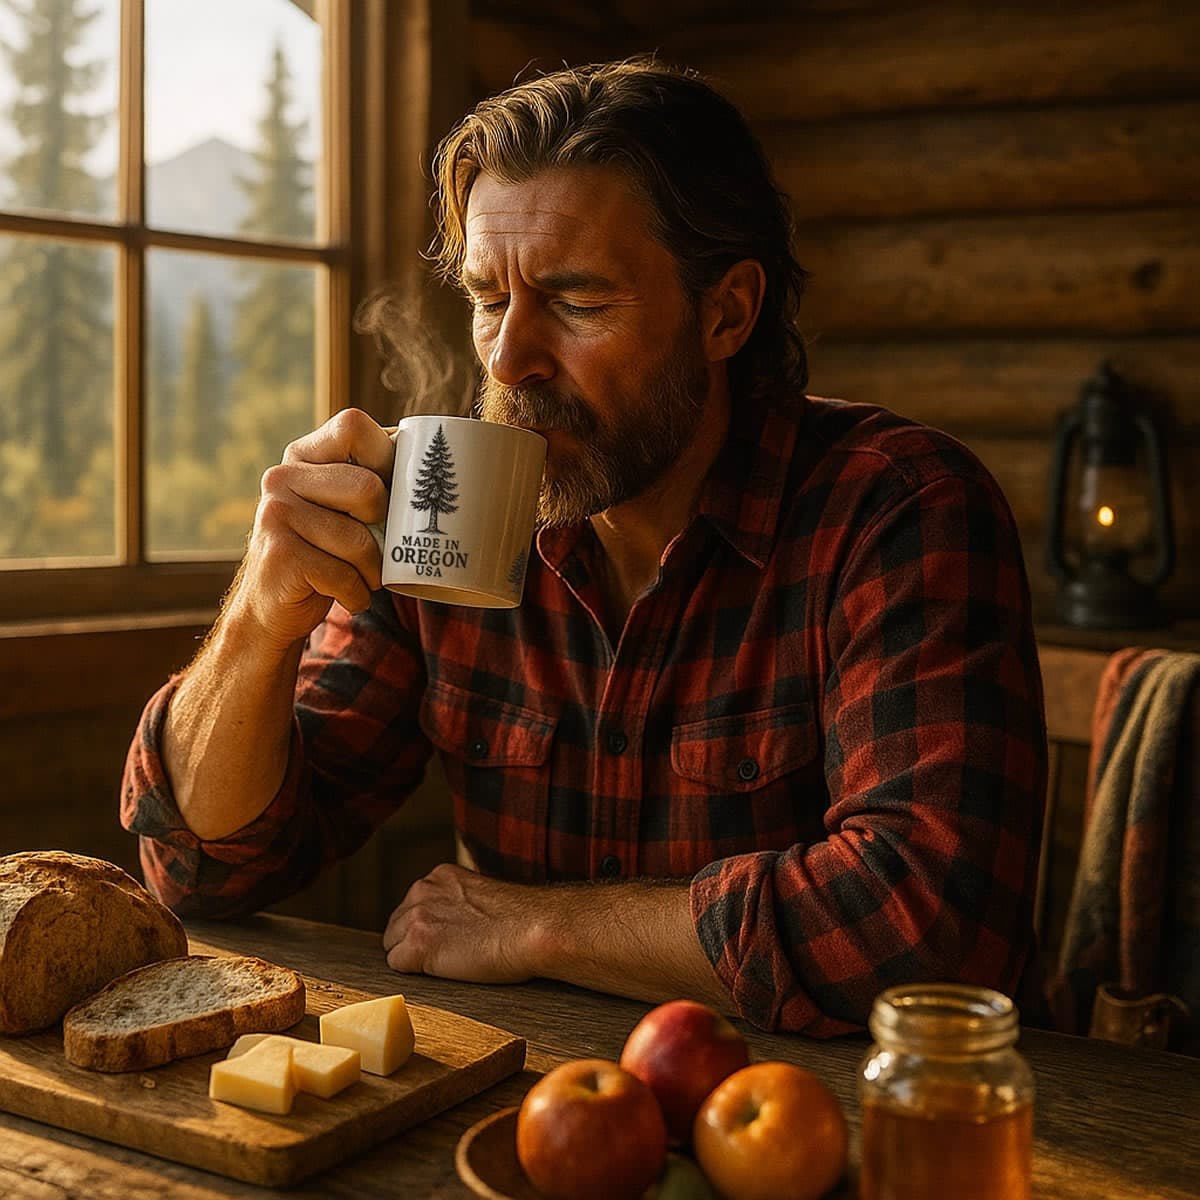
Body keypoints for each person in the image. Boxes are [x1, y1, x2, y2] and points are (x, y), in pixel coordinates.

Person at [121, 59, 1047, 1035]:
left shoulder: (896, 510)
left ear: (726, 311)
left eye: (576, 301)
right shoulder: (445, 513)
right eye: (489, 298)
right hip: (542, 1125)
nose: (510, 358)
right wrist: (261, 622)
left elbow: (931, 925)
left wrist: (541, 929)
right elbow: (206, 864)